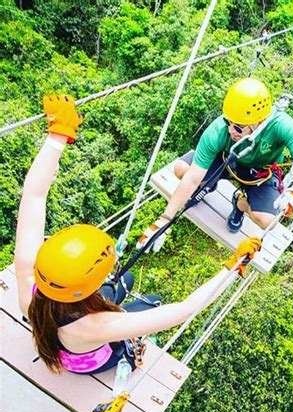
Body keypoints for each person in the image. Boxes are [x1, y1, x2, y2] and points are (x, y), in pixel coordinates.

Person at [14, 94, 261, 375]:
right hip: (92, 359)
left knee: (124, 281)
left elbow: (34, 196)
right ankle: (127, 356)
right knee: (150, 303)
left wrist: (57, 137)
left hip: (61, 333)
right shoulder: (97, 326)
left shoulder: (29, 276)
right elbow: (182, 311)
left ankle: (115, 297)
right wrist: (232, 268)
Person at [137, 77, 293, 252]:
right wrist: (163, 221)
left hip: (259, 173)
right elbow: (192, 177)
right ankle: (208, 185)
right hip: (226, 161)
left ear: (259, 123)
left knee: (268, 222)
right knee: (181, 170)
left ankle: (240, 204)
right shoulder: (218, 131)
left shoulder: (280, 125)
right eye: (229, 122)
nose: (231, 130)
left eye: (239, 127)